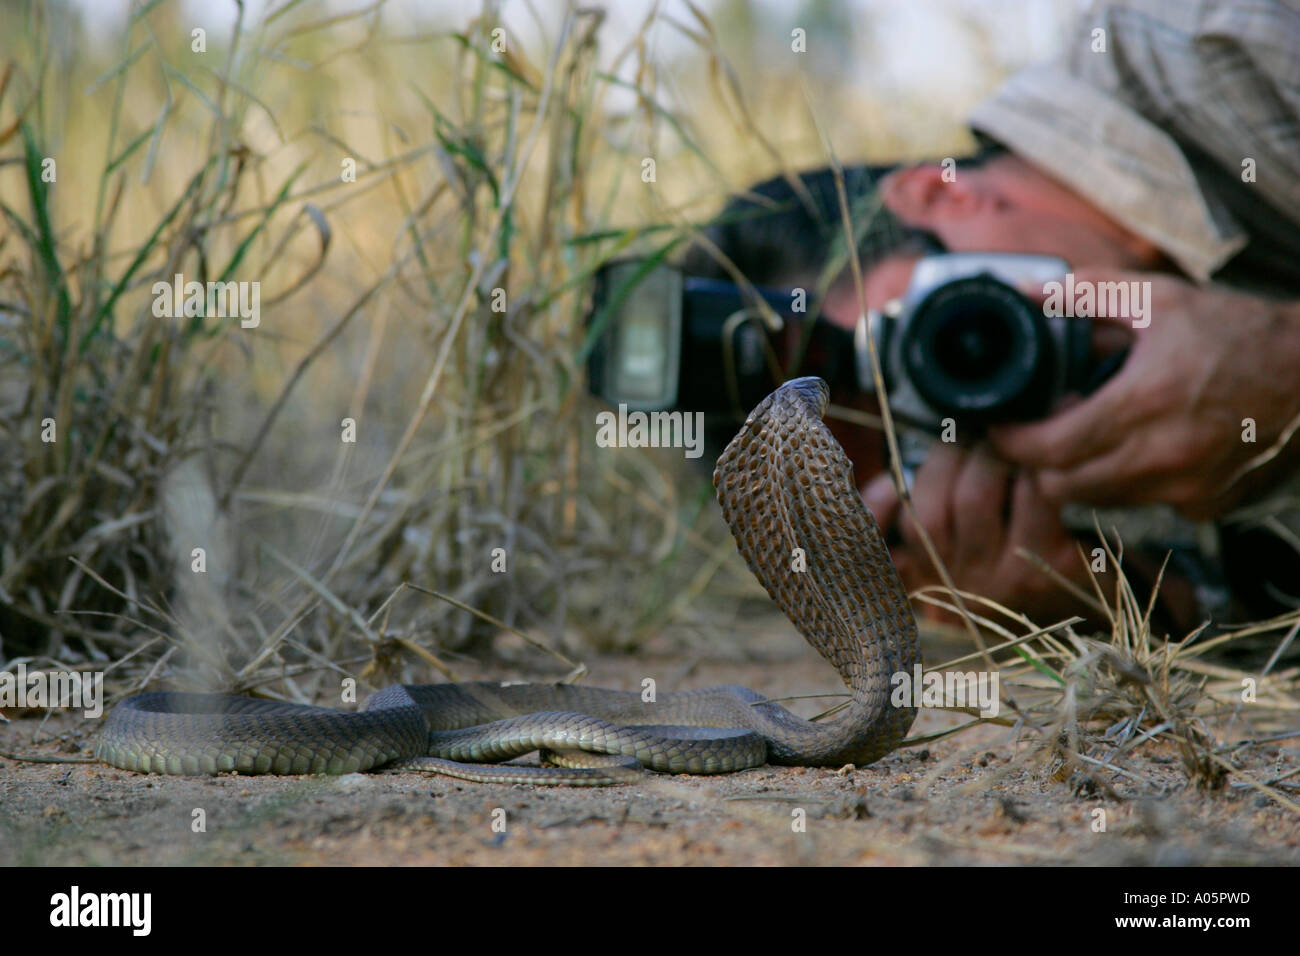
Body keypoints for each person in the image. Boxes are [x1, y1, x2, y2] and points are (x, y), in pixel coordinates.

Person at [684, 0, 1300, 638]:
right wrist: (1121, 597)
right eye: (922, 453)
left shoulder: (1222, 48)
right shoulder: (1083, 466)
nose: (984, 407)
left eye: (941, 347)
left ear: (942, 192)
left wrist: (1285, 364)